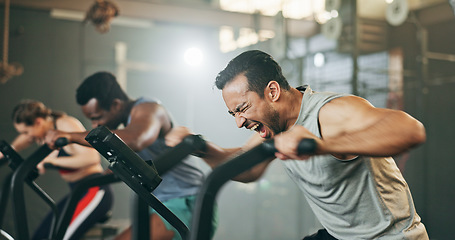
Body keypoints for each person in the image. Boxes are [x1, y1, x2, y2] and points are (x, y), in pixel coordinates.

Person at [165, 50, 429, 239]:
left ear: (272, 92)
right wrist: (202, 148)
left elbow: (411, 130)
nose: (239, 122)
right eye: (233, 114)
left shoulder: (331, 112)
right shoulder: (276, 126)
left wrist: (319, 145)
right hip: (341, 236)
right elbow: (248, 167)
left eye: (242, 109)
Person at [45, 71, 215, 240]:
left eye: (97, 118)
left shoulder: (149, 109)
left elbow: (136, 139)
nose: (95, 125)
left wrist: (71, 136)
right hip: (160, 204)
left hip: (190, 203)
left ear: (116, 105)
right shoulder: (127, 125)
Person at [4, 99, 113, 240]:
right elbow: (21, 141)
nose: (28, 136)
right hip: (77, 192)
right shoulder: (43, 132)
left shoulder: (64, 124)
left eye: (27, 131)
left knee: (58, 238)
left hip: (93, 190)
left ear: (38, 122)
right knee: (41, 237)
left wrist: (50, 161)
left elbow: (91, 158)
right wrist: (7, 152)